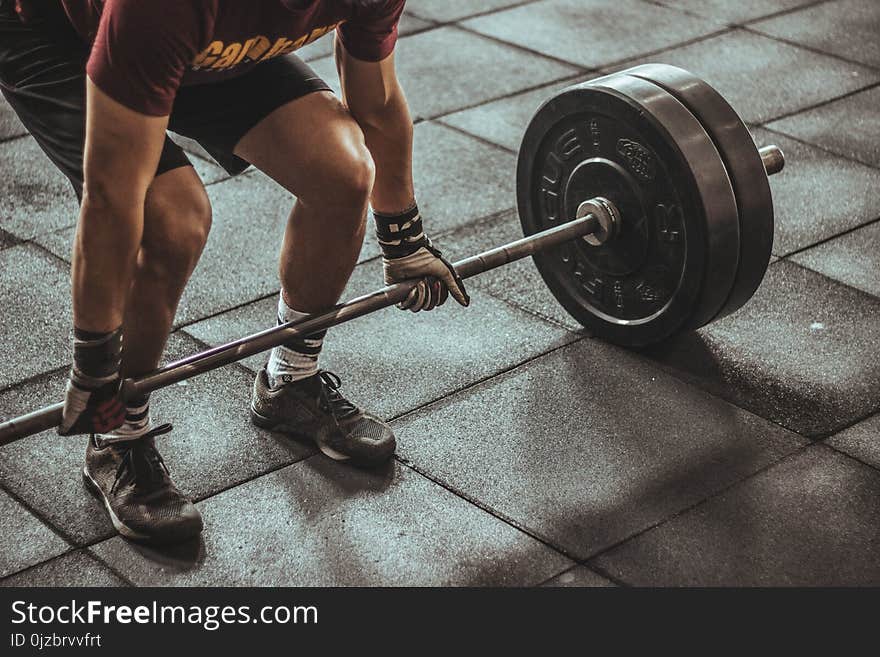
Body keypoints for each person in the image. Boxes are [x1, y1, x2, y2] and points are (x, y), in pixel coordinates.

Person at [0, 0, 469, 544]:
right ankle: (117, 436)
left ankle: (289, 381)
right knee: (171, 219)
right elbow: (112, 198)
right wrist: (95, 365)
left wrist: (403, 240)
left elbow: (377, 101)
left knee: (343, 172)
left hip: (201, 39)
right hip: (58, 33)